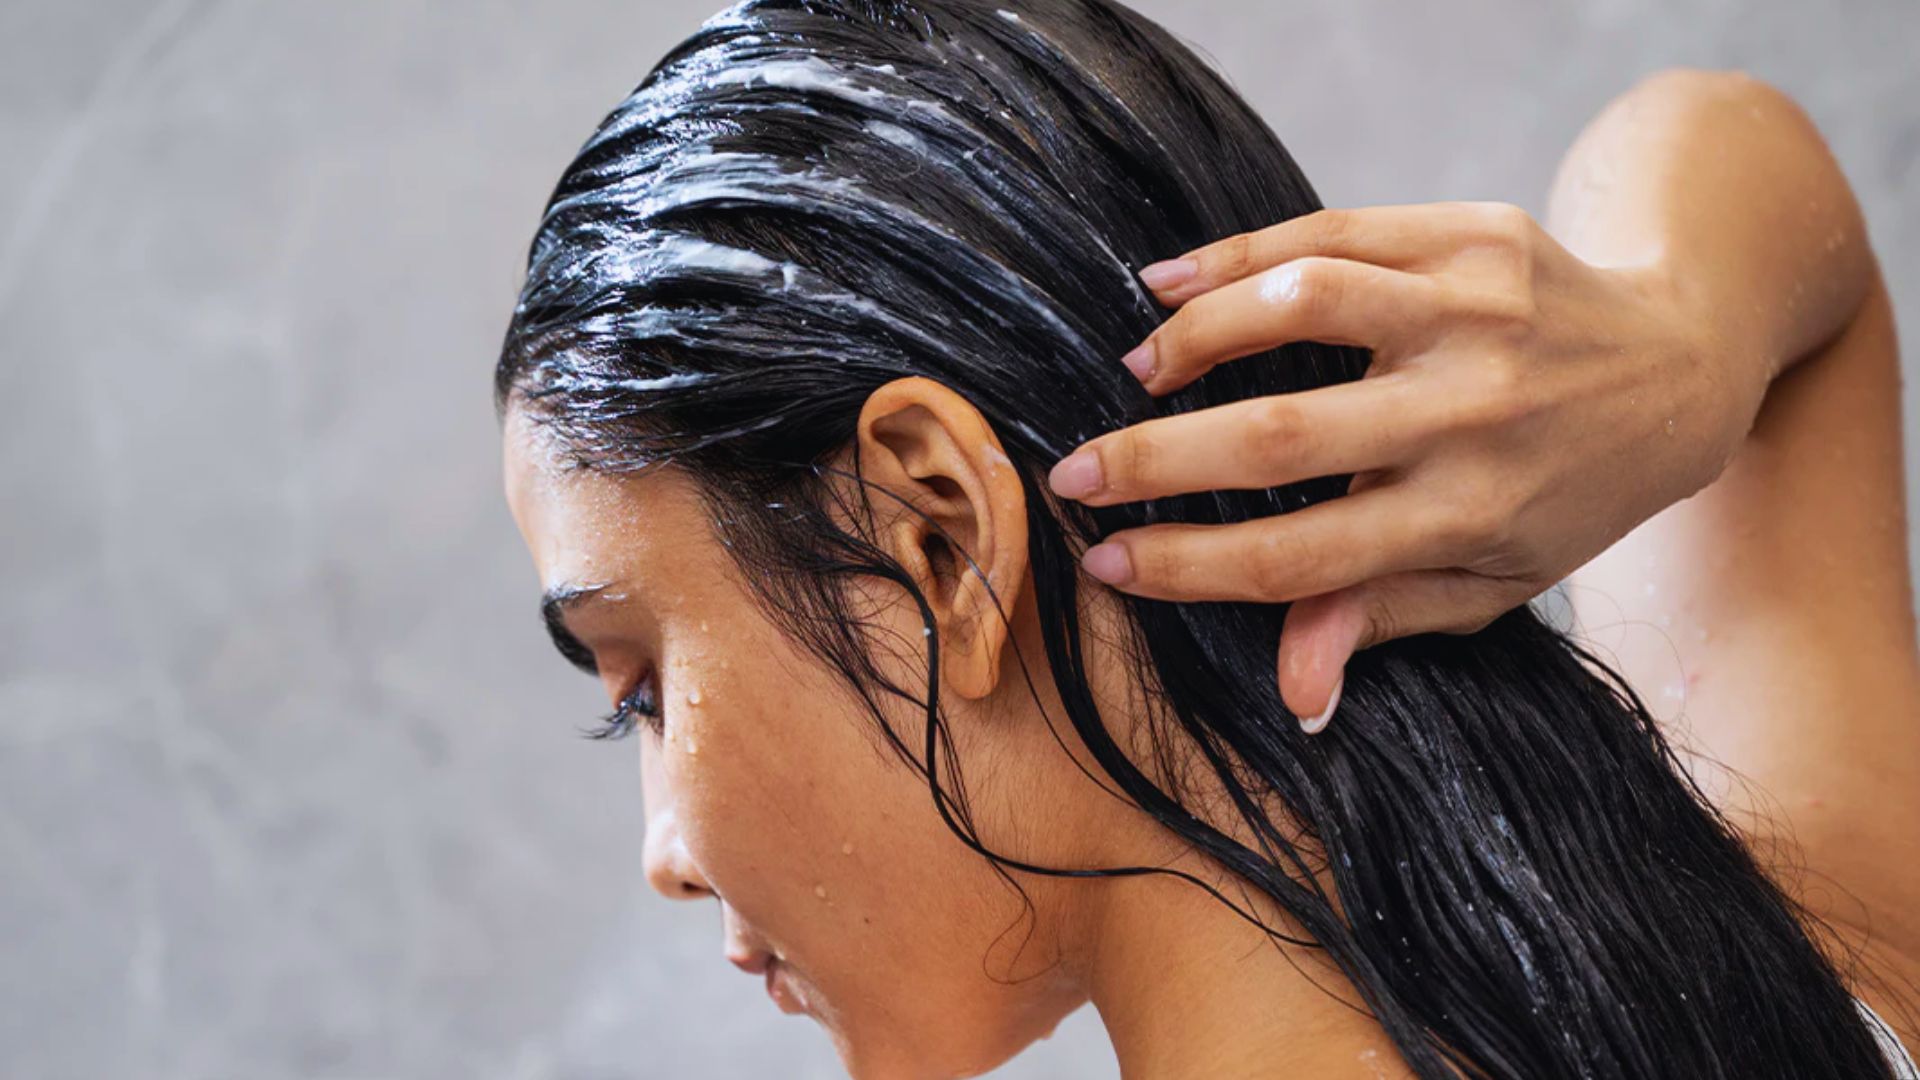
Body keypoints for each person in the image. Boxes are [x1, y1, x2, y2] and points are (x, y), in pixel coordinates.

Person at [495, 1, 1920, 1076]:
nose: (666, 857)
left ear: (939, 541)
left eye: (642, 689)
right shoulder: (1815, 973)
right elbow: (1710, 149)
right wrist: (1683, 340)